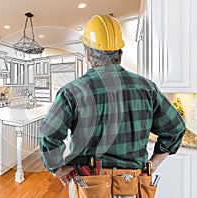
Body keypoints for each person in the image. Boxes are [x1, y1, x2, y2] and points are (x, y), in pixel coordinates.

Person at [39, 14, 186, 197]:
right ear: (119, 53)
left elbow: (48, 134)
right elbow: (175, 129)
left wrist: (57, 168)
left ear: (87, 54)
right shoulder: (147, 88)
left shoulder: (71, 92)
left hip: (89, 185)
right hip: (132, 185)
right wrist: (154, 162)